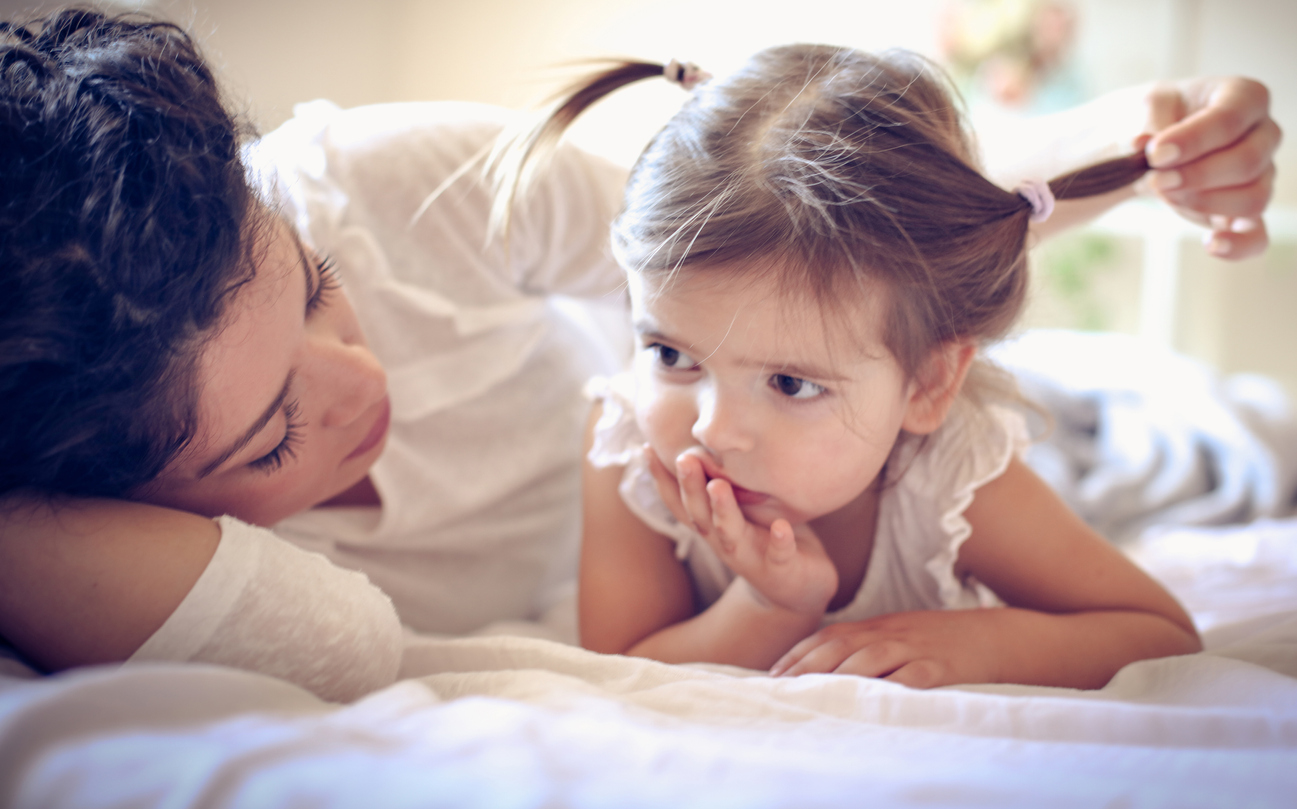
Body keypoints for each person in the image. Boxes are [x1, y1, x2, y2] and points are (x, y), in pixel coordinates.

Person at [0, 10, 1280, 699]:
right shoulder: (631, 442)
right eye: (271, 430)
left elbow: (823, 241)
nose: (366, 379)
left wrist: (1129, 143)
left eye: (321, 288)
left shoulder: (382, 185)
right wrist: (765, 605)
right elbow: (605, 662)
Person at [567, 45, 1222, 689]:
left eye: (791, 383)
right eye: (672, 355)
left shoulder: (948, 480)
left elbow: (1157, 630)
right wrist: (772, 605)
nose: (712, 429)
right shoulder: (631, 452)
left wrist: (987, 644)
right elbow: (621, 662)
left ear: (928, 384)